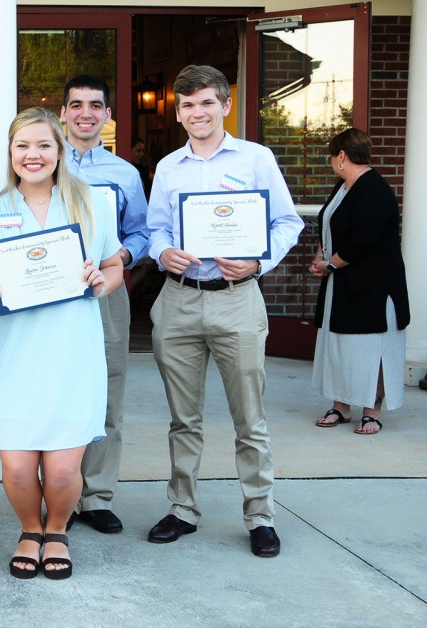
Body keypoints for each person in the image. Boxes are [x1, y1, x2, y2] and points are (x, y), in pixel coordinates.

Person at [145, 65, 303, 558]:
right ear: (179, 112)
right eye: (188, 105)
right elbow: (157, 229)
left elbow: (287, 221)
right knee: (182, 419)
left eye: (207, 102)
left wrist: (259, 260)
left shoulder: (256, 159)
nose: (198, 112)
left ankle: (260, 515)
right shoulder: (170, 167)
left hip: (237, 299)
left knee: (249, 419)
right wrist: (162, 251)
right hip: (180, 297)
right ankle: (182, 509)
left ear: (225, 106)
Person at [0, 107, 123, 580]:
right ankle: (29, 528)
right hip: (14, 355)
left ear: (59, 150)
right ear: (11, 154)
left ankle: (55, 530)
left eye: (43, 145)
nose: (33, 155)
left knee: (61, 472)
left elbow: (114, 265)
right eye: (22, 146)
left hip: (71, 353)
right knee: (18, 469)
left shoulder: (93, 202)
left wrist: (101, 281)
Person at [59, 75, 149, 534]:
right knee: (57, 388)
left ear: (107, 115)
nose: (86, 113)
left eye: (95, 105)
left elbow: (141, 232)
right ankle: (61, 495)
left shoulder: (124, 173)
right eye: (77, 105)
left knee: (107, 391)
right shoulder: (46, 165)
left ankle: (95, 496)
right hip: (53, 293)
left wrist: (122, 257)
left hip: (107, 293)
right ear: (64, 113)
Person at [309, 128, 410, 435]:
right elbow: (329, 223)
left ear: (341, 156)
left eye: (331, 156)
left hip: (375, 285)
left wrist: (331, 263)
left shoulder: (374, 189)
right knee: (340, 344)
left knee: (370, 347)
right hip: (343, 281)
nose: (331, 162)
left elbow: (365, 239)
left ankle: (372, 410)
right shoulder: (343, 187)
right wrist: (320, 256)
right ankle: (341, 406)